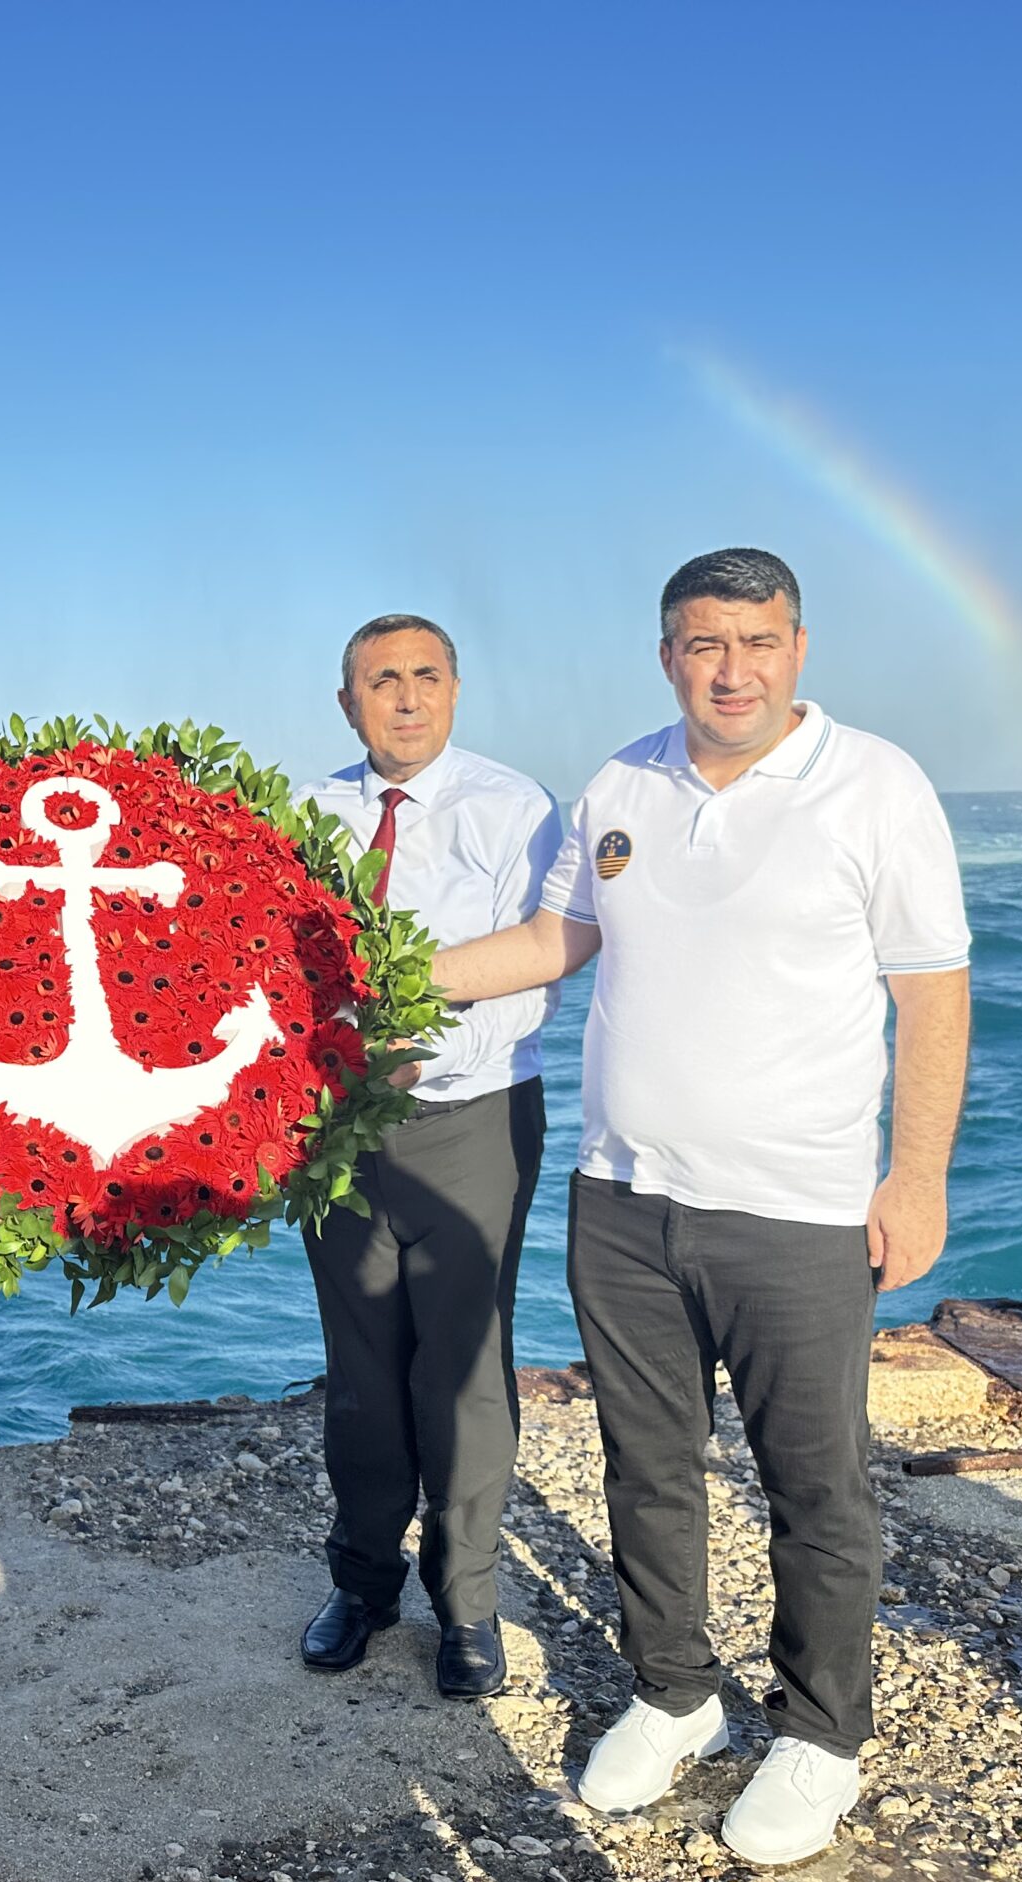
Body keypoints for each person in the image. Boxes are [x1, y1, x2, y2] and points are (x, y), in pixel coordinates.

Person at [429, 548, 970, 1867]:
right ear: (667, 654)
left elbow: (932, 992)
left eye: (758, 640)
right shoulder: (621, 784)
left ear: (799, 647)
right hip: (621, 1198)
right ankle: (675, 1692)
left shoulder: (876, 784)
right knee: (646, 1465)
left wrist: (914, 1180)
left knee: (814, 1482)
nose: (733, 670)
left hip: (798, 1211)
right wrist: (384, 973)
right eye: (704, 644)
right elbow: (555, 942)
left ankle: (820, 1733)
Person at [294, 614, 561, 1698]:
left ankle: (467, 1604)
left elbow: (533, 974)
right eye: (381, 681)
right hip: (338, 1132)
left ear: (453, 690)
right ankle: (363, 1585)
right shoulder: (307, 813)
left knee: (462, 1370)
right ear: (347, 702)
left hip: (471, 1118)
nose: (406, 698)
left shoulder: (514, 807)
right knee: (360, 1374)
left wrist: (413, 1057)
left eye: (425, 677)